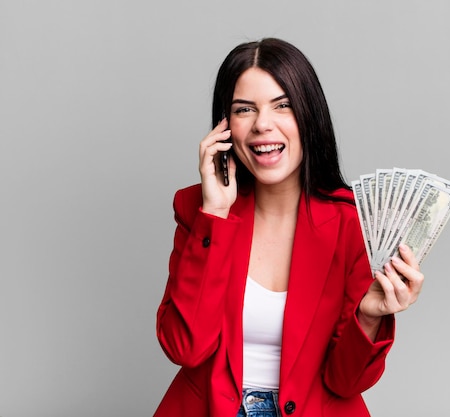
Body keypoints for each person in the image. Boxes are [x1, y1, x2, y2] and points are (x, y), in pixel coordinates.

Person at [154, 38, 424, 417]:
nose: (263, 124)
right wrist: (214, 213)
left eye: (283, 106)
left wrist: (369, 316)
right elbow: (185, 347)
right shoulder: (198, 211)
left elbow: (345, 382)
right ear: (225, 127)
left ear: (308, 117)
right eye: (244, 110)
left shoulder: (352, 225)